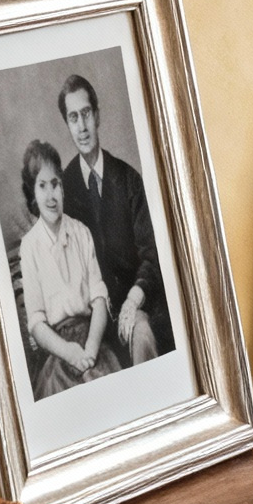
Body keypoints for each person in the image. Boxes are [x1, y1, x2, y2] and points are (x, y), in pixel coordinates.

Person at [56, 72, 175, 365]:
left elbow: (152, 253)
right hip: (91, 317)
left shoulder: (128, 179)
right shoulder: (65, 188)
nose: (82, 127)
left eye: (86, 114)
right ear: (67, 125)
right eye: (73, 118)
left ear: (97, 116)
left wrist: (134, 300)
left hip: (135, 304)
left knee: (143, 333)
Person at [16, 139, 122, 398]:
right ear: (33, 193)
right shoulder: (30, 247)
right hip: (57, 347)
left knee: (108, 387)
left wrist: (91, 349)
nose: (51, 195)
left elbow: (99, 300)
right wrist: (69, 352)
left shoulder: (81, 233)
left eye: (55, 184)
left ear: (62, 188)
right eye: (42, 186)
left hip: (91, 338)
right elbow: (38, 323)